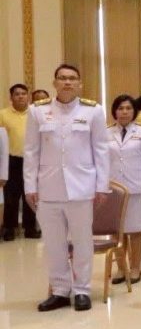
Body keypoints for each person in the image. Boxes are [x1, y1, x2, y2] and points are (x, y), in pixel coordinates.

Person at [25, 64, 111, 312]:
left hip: (81, 188)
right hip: (48, 188)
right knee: (54, 244)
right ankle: (60, 290)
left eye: (72, 78)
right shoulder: (38, 111)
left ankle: (82, 290)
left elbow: (101, 150)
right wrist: (30, 186)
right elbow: (31, 151)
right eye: (62, 78)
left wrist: (102, 186)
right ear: (54, 83)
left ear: (80, 83)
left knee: (82, 242)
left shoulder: (93, 111)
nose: (67, 82)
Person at [107, 95, 141, 285]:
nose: (124, 112)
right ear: (114, 111)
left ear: (134, 111)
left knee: (136, 230)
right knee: (117, 231)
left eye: (128, 108)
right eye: (120, 108)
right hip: (114, 190)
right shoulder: (106, 132)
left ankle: (135, 267)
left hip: (137, 189)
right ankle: (121, 267)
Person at [1, 83, 38, 240]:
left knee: (30, 193)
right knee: (11, 196)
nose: (21, 96)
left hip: (32, 160)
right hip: (11, 161)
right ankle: (9, 228)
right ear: (11, 97)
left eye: (24, 93)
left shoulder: (35, 113)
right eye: (17, 94)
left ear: (28, 96)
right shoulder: (3, 115)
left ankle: (30, 228)